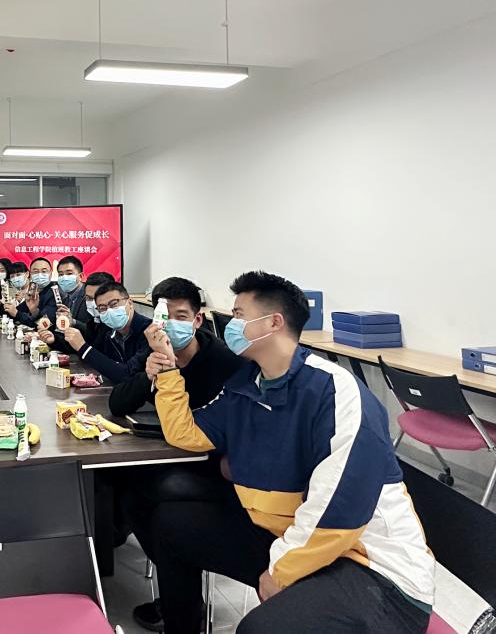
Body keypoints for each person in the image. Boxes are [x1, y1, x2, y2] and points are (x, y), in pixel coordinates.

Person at [148, 271, 434, 633]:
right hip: (288, 537)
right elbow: (186, 433)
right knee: (171, 525)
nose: (230, 325)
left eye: (238, 315)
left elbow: (339, 512)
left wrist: (280, 572)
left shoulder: (334, 391)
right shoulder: (245, 387)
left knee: (258, 629)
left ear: (273, 322)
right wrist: (167, 371)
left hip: (367, 564)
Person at [105, 277, 245, 631]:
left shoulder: (223, 362)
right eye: (165, 316)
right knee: (130, 492)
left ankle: (180, 591)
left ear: (197, 320)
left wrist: (169, 375)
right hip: (173, 451)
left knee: (162, 491)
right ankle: (177, 586)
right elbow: (117, 402)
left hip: (216, 464)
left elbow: (213, 431)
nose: (171, 324)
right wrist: (149, 376)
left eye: (181, 316)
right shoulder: (155, 351)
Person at [60, 281, 152, 384]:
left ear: (130, 303)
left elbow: (127, 375)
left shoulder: (149, 332)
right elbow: (103, 362)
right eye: (102, 308)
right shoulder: (109, 331)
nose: (109, 311)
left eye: (114, 304)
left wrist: (83, 347)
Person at [1, 257, 57, 328]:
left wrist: (18, 313)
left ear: (51, 273)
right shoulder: (34, 290)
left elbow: (46, 324)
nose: (39, 275)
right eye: (36, 272)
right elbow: (14, 312)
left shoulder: (55, 292)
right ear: (31, 274)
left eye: (44, 271)